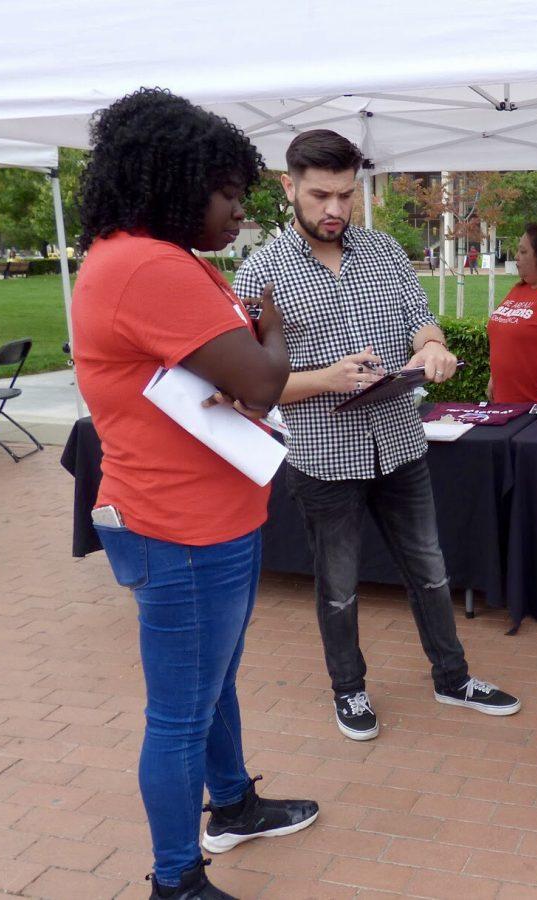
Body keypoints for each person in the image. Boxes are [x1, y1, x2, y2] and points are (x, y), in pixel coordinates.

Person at [71, 88, 318, 900]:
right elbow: (262, 380)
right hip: (182, 528)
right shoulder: (146, 265)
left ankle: (235, 803)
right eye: (227, 192)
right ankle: (176, 879)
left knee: (212, 683)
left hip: (205, 516)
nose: (239, 211)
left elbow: (232, 379)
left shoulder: (153, 258)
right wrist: (273, 325)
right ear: (174, 181)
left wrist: (248, 356)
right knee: (180, 711)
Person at [233, 130, 521, 743]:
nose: (334, 209)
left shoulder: (386, 251)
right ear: (289, 188)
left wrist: (435, 345)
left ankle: (452, 677)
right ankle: (350, 691)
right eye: (319, 195)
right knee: (337, 586)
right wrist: (326, 379)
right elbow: (250, 387)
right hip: (323, 457)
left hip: (400, 443)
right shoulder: (261, 272)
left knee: (431, 569)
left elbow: (421, 321)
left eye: (345, 195)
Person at [486, 224, 537, 403]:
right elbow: (504, 335)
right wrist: (495, 376)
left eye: (523, 252)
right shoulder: (518, 289)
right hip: (503, 403)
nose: (516, 257)